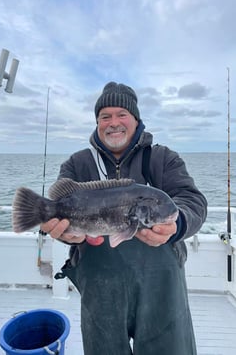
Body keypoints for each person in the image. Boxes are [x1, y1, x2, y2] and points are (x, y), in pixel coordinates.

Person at [41, 82, 207, 355]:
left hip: (161, 286)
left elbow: (193, 200)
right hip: (99, 286)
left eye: (122, 114)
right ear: (97, 122)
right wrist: (61, 232)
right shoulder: (77, 164)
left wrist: (176, 226)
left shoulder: (163, 159)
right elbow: (61, 209)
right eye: (105, 116)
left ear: (136, 119)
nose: (113, 123)